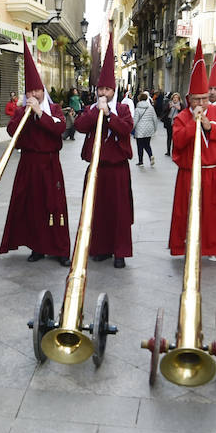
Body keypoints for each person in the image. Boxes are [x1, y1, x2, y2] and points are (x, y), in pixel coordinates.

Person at [0, 41, 70, 264]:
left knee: (54, 205)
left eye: (37, 90)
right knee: (33, 206)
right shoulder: (21, 111)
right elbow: (12, 131)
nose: (34, 94)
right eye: (30, 90)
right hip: (28, 164)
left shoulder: (55, 109)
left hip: (50, 164)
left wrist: (40, 113)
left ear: (43, 91)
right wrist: (26, 114)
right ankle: (37, 246)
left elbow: (59, 129)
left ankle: (60, 249)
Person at [170, 42, 216, 264]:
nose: (201, 103)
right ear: (189, 99)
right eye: (197, 99)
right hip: (190, 173)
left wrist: (210, 127)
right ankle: (188, 245)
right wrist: (193, 125)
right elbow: (178, 142)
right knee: (188, 212)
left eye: (204, 98)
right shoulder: (181, 117)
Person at [76, 44, 135, 267]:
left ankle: (119, 252)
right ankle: (99, 248)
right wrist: (95, 112)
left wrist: (109, 114)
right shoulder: (91, 109)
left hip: (117, 168)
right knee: (96, 210)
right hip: (96, 168)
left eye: (108, 90)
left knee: (119, 213)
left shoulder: (123, 109)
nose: (103, 93)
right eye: (101, 89)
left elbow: (126, 129)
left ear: (114, 91)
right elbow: (80, 126)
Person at [132, 91, 157, 165]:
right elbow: (154, 118)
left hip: (140, 130)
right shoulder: (151, 108)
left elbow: (135, 120)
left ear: (139, 99)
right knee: (147, 144)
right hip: (149, 129)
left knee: (140, 146)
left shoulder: (137, 109)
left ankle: (140, 161)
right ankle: (150, 155)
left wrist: (131, 128)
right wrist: (155, 129)